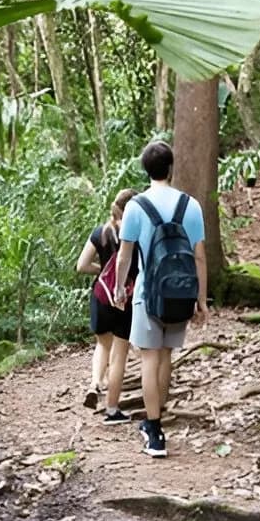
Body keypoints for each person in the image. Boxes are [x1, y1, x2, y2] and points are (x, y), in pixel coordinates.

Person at [112, 141, 208, 458]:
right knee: (166, 356)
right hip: (180, 293)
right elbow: (200, 258)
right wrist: (202, 300)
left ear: (146, 170)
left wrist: (119, 288)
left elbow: (125, 256)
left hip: (146, 295)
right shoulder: (190, 206)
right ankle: (159, 417)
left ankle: (154, 432)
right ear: (171, 167)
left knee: (149, 360)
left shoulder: (135, 208)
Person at [76, 188, 138, 422]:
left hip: (101, 295)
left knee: (102, 345)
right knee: (119, 353)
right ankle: (112, 409)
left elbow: (81, 265)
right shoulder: (136, 234)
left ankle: (94, 384)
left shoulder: (101, 232)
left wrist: (103, 271)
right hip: (126, 298)